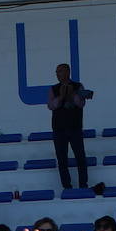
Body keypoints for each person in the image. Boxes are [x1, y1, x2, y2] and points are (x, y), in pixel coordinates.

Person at [48, 62, 91, 190]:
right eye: (56, 72)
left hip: (75, 128)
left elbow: (81, 104)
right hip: (59, 129)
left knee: (80, 158)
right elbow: (51, 105)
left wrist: (72, 94)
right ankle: (67, 187)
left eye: (60, 71)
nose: (57, 74)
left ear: (67, 72)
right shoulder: (53, 88)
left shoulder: (78, 86)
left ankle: (83, 185)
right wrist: (61, 96)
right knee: (62, 160)